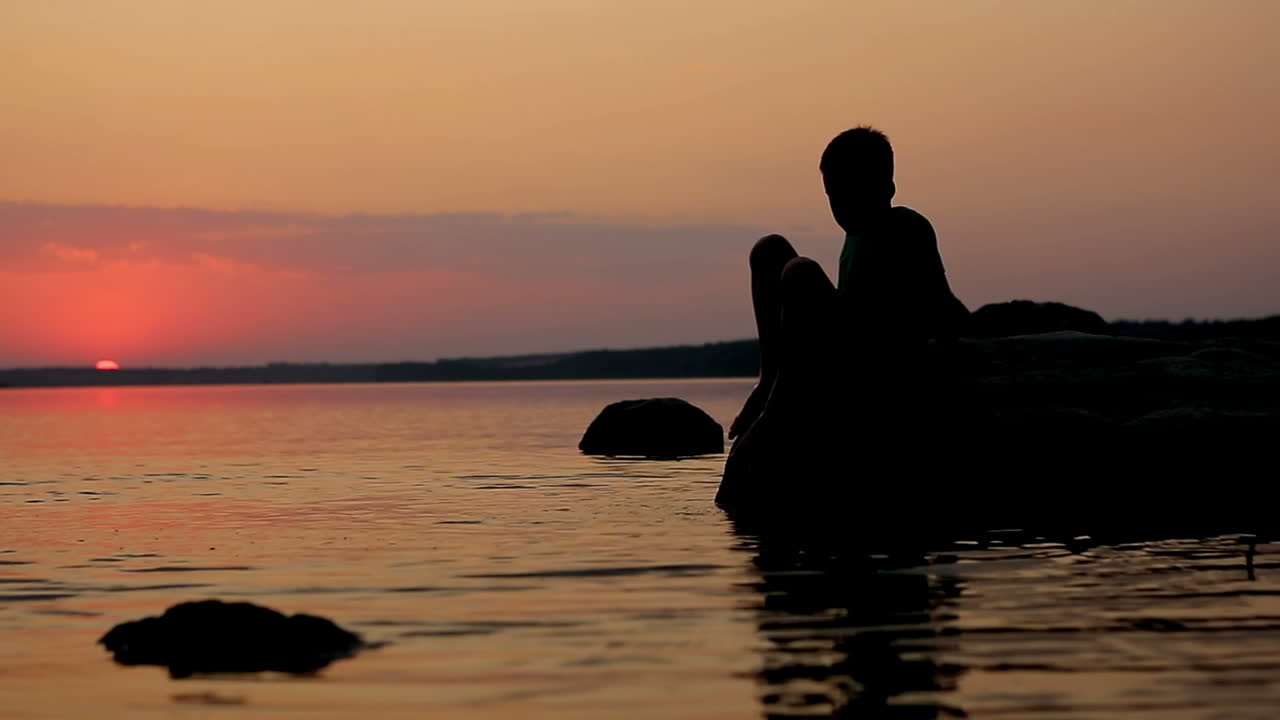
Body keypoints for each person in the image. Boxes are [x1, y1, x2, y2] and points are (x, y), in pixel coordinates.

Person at [721, 127, 968, 498]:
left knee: (799, 272)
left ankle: (779, 411)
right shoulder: (854, 236)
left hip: (874, 359)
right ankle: (769, 380)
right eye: (834, 197)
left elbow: (940, 299)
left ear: (887, 188)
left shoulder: (905, 226)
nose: (842, 207)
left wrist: (973, 339)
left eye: (853, 193)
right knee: (769, 249)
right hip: (843, 346)